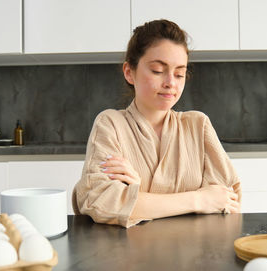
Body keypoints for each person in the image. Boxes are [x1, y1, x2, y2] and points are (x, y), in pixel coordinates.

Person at [72, 19, 241, 228]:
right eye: (158, 71)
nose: (171, 82)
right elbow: (100, 201)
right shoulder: (110, 124)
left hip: (194, 256)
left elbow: (227, 204)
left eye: (180, 73)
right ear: (129, 72)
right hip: (128, 256)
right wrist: (199, 199)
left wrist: (138, 194)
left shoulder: (199, 125)